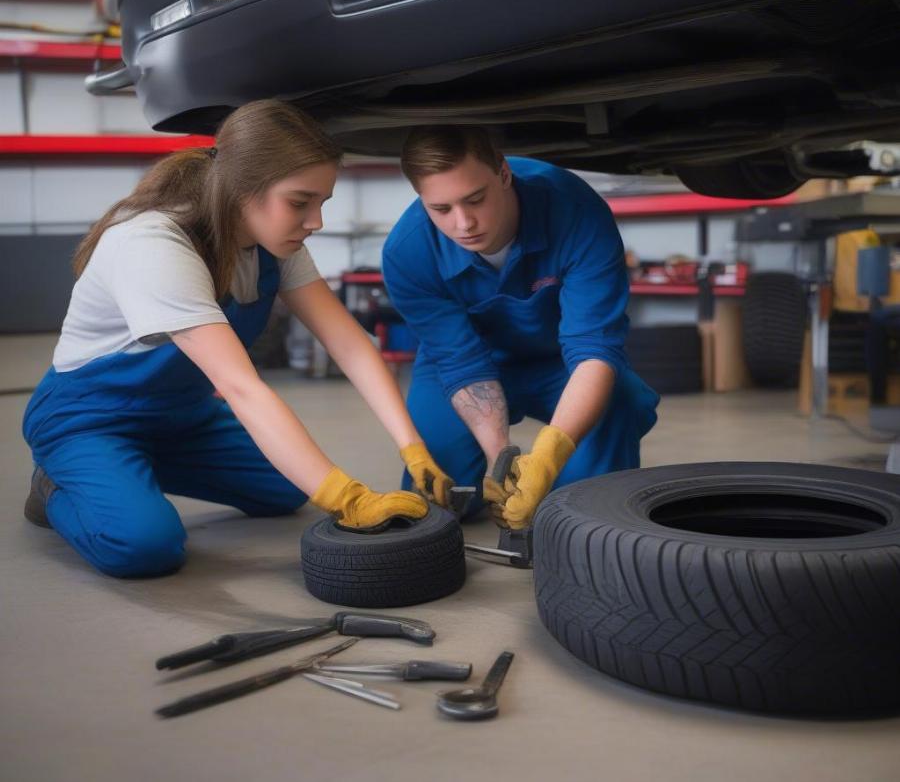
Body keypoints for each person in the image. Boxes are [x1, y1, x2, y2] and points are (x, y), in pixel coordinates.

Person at [22, 100, 451, 577]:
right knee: (145, 546)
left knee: (287, 489)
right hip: (89, 420)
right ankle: (56, 485)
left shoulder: (274, 244)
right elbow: (243, 389)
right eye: (299, 202)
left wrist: (411, 445)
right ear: (243, 189)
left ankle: (127, 472)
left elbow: (348, 344)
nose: (316, 222)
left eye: (321, 203)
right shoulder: (155, 246)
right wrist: (345, 498)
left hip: (182, 419)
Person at [382, 126, 659, 528]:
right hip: (470, 360)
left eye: (475, 199)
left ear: (505, 174)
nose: (463, 224)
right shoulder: (408, 251)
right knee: (440, 496)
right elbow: (461, 363)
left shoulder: (576, 212)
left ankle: (577, 499)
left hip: (562, 360)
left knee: (586, 503)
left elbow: (594, 349)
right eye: (441, 209)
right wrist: (501, 462)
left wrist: (548, 457)